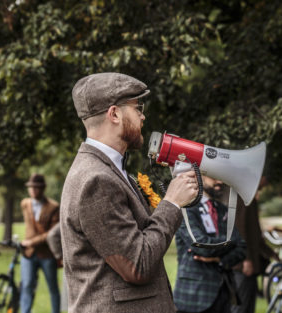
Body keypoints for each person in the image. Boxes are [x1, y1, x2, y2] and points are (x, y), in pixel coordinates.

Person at [60, 72, 198, 313]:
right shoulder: (97, 180)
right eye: (137, 108)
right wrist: (172, 203)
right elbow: (138, 264)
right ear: (114, 114)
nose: (143, 116)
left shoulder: (108, 169)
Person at [173, 175, 246, 313]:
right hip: (194, 296)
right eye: (214, 177)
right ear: (199, 176)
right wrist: (232, 241)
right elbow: (201, 246)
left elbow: (242, 248)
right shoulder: (185, 209)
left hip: (224, 294)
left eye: (221, 177)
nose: (220, 181)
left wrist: (220, 259)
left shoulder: (223, 210)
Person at [231, 178, 276, 313]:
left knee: (248, 306)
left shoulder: (249, 197)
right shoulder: (243, 197)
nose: (266, 180)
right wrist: (246, 259)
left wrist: (271, 254)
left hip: (248, 264)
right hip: (242, 265)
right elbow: (240, 230)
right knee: (240, 307)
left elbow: (254, 234)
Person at [20, 174, 60, 313]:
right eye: (31, 187)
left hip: (47, 254)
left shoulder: (54, 207)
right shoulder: (25, 204)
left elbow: (51, 234)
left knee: (52, 287)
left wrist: (31, 241)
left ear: (42, 188)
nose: (33, 190)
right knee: (27, 285)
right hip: (28, 253)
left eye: (36, 188)